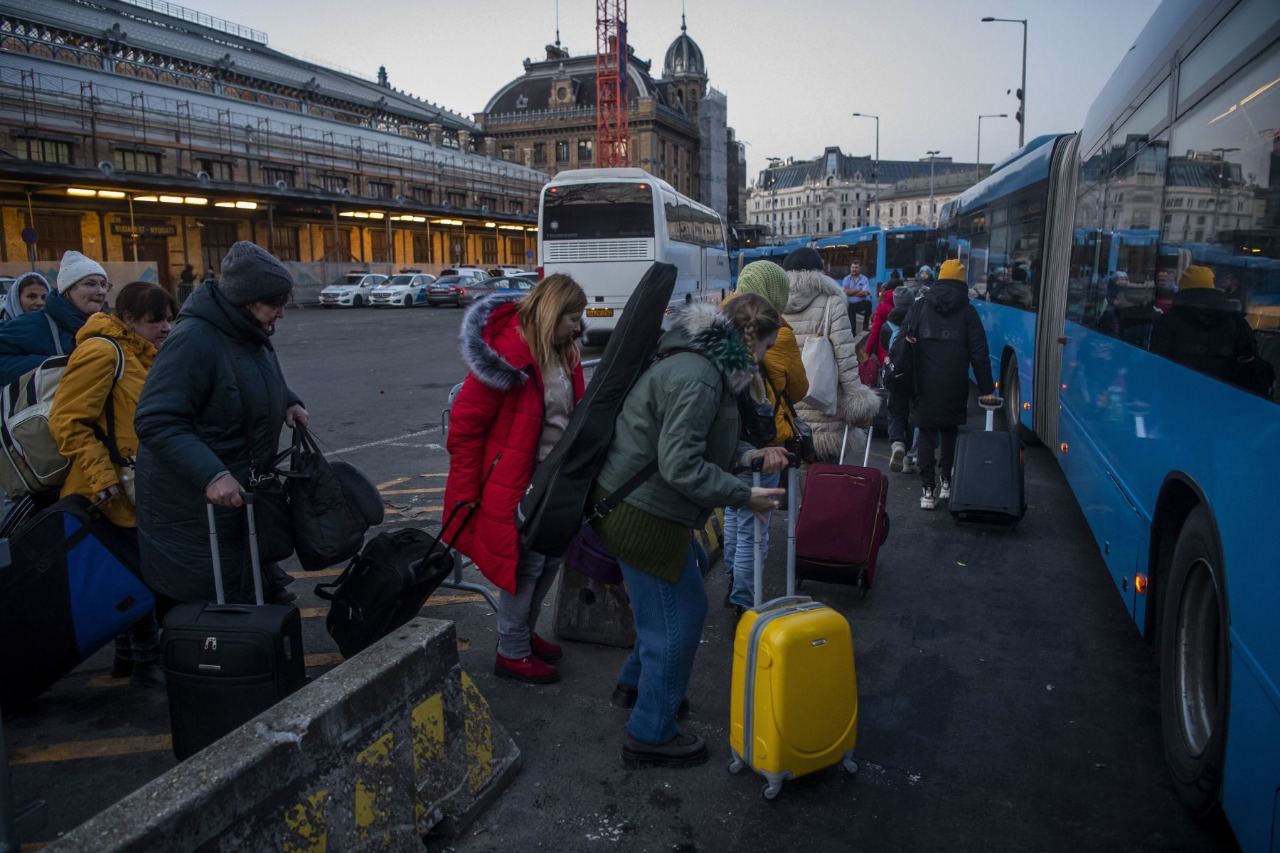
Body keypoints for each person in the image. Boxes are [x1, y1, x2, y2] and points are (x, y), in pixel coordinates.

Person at [591, 293, 788, 769]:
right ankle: (650, 732)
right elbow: (680, 464)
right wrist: (744, 495)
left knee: (665, 609)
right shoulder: (701, 378)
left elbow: (704, 440)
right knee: (680, 616)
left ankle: (637, 688)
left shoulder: (704, 363)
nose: (765, 359)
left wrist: (750, 457)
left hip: (638, 506)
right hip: (642, 514)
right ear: (750, 340)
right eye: (767, 347)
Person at [134, 242, 307, 610]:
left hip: (240, 499)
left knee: (255, 599)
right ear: (247, 299)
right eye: (274, 303)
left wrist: (287, 399)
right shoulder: (195, 339)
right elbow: (156, 420)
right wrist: (211, 474)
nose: (281, 312)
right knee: (219, 610)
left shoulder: (246, 330)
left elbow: (247, 376)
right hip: (194, 510)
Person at [443, 274, 587, 685]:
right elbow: (465, 429)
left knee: (551, 558)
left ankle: (523, 633)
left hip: (551, 481)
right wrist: (468, 492)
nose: (579, 327)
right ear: (550, 313)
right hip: (513, 484)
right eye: (572, 318)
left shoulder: (563, 351)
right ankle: (512, 650)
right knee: (525, 566)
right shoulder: (505, 356)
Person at [49, 281, 177, 689]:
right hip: (105, 489)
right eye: (156, 320)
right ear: (128, 320)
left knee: (131, 570)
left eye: (170, 319)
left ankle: (128, 658)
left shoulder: (142, 353)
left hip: (136, 485)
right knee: (137, 572)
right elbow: (66, 422)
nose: (166, 328)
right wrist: (102, 475)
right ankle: (146, 661)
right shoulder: (103, 351)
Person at [719, 261, 808, 614]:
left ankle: (732, 582)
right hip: (761, 441)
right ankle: (744, 603)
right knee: (754, 528)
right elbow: (799, 389)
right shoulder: (778, 333)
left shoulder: (720, 323)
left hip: (727, 439)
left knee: (732, 512)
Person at [902, 259, 998, 510]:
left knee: (925, 432)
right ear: (961, 281)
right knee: (949, 431)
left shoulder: (921, 304)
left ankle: (927, 490)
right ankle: (946, 482)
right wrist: (987, 389)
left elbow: (904, 338)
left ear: (939, 278)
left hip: (923, 381)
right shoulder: (967, 310)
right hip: (954, 381)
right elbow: (979, 352)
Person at [781, 247, 881, 461]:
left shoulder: (777, 303)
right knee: (824, 477)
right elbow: (845, 358)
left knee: (794, 473)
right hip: (824, 404)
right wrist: (857, 398)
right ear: (820, 272)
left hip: (789, 405)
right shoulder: (831, 302)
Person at [0, 251, 109, 384]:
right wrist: (53, 367)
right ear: (68, 290)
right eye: (90, 284)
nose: (101, 291)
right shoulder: (35, 324)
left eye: (103, 284)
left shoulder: (106, 326)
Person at [1151, 265, 1263, 392]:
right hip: (1227, 399)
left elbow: (1157, 368)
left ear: (1182, 290)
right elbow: (1250, 362)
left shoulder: (1166, 322)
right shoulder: (1236, 322)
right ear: (1212, 287)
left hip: (1178, 397)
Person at [883, 285, 917, 473]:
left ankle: (897, 443)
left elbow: (883, 349)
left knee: (895, 412)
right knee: (911, 415)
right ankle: (908, 459)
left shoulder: (887, 325)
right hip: (913, 377)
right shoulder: (917, 319)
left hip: (894, 376)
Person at [842, 261, 873, 332]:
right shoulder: (846, 279)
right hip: (850, 305)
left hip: (860, 303)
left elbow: (865, 292)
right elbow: (845, 292)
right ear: (850, 268)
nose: (854, 269)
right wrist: (858, 290)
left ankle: (865, 326)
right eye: (853, 267)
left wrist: (851, 292)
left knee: (868, 304)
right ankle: (853, 333)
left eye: (856, 267)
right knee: (852, 326)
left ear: (859, 268)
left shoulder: (864, 279)